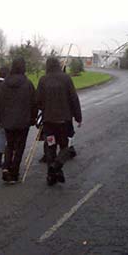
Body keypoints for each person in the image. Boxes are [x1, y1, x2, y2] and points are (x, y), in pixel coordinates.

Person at [36, 57, 82, 186]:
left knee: (51, 146)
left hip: (49, 121)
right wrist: (78, 117)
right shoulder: (66, 79)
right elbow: (74, 98)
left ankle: (51, 174)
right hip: (64, 120)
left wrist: (40, 113)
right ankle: (56, 167)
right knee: (64, 147)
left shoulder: (43, 80)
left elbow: (38, 100)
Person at [0, 57, 37, 183]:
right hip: (23, 120)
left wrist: (0, 118)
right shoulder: (28, 84)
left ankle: (6, 167)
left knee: (10, 144)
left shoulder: (4, 84)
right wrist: (33, 118)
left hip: (8, 120)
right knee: (19, 146)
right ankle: (14, 171)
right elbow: (34, 103)